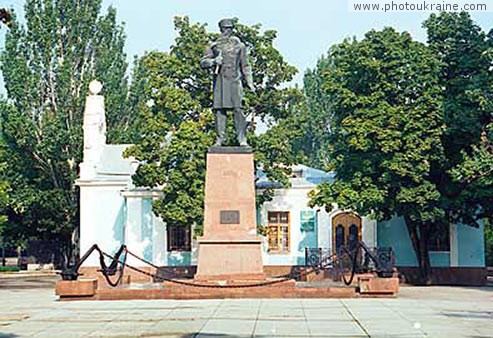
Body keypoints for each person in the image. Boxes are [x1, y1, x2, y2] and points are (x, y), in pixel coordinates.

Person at [200, 18, 255, 147]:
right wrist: (213, 62)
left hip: (235, 81)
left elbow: (245, 66)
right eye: (225, 28)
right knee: (219, 111)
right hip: (220, 81)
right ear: (221, 29)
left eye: (230, 28)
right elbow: (203, 62)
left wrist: (250, 82)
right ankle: (220, 139)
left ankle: (241, 138)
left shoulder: (239, 46)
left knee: (239, 110)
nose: (227, 31)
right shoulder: (213, 45)